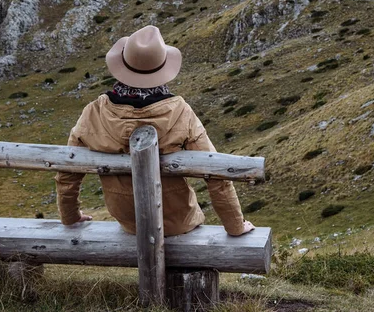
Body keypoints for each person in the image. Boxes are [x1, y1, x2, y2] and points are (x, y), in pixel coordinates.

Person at [55, 25, 255, 237]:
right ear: (162, 71)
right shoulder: (180, 112)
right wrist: (236, 226)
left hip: (129, 221)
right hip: (178, 222)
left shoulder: (93, 112)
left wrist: (71, 217)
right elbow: (216, 173)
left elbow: (68, 171)